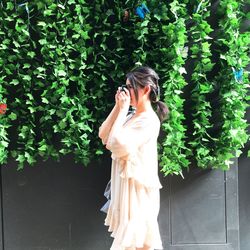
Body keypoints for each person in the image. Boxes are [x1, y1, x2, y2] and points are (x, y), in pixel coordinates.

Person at [98, 66, 169, 250]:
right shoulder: (131, 117)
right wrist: (117, 107)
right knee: (140, 245)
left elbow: (117, 144)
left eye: (130, 87)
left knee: (138, 243)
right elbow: (104, 135)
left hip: (139, 195)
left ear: (145, 89)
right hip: (128, 193)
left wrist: (122, 111)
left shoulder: (148, 120)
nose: (126, 91)